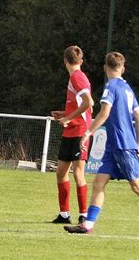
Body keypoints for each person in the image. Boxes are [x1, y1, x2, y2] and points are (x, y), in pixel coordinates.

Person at [64, 51, 139, 236]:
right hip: (114, 146)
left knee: (137, 186)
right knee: (98, 183)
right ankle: (87, 225)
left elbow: (104, 113)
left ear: (105, 68)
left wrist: (88, 133)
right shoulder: (127, 88)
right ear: (122, 68)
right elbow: (138, 116)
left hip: (122, 145)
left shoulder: (111, 86)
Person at [50, 45, 94, 225]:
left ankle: (83, 214)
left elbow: (89, 103)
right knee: (61, 172)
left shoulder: (78, 77)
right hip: (71, 130)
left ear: (64, 61)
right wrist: (65, 113)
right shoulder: (75, 77)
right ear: (81, 61)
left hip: (80, 131)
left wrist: (68, 117)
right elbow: (80, 105)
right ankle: (64, 214)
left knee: (78, 172)